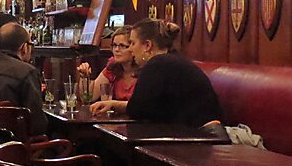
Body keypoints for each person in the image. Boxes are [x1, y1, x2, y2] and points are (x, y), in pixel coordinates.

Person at [91, 18, 221, 127]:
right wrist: (113, 104)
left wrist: (114, 105)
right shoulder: (170, 58)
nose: (130, 49)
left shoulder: (157, 64)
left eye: (132, 43)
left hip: (200, 138)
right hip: (199, 133)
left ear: (147, 45)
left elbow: (137, 110)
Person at [76, 26, 138, 103]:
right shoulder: (113, 66)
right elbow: (90, 96)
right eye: (114, 45)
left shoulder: (144, 70)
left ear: (134, 47)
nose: (116, 50)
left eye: (122, 46)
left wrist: (114, 104)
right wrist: (84, 77)